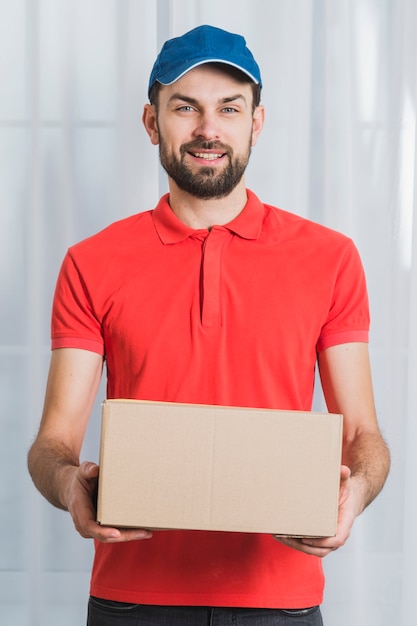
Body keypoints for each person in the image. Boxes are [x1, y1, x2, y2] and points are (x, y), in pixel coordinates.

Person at [28, 24, 390, 626]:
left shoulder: (330, 258)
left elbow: (365, 438)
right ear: (151, 123)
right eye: (185, 108)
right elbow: (52, 444)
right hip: (132, 599)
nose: (208, 129)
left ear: (257, 122)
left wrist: (355, 494)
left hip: (281, 599)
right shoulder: (92, 262)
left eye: (229, 108)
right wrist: (71, 486)